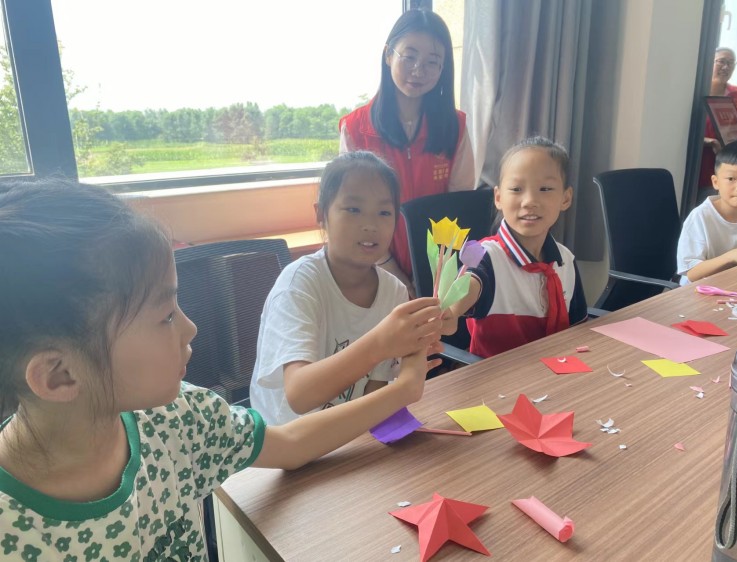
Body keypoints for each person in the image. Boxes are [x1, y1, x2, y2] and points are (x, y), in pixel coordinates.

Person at [0, 178, 442, 560]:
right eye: (165, 316)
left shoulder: (180, 418)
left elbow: (291, 444)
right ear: (59, 375)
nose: (190, 328)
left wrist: (403, 389)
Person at [249, 151, 443, 425]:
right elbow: (299, 395)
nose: (370, 225)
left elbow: (373, 394)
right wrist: (380, 344)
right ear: (321, 214)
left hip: (347, 434)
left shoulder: (394, 293)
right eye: (353, 209)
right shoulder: (298, 285)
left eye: (384, 212)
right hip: (287, 439)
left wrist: (411, 369)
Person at [339, 9, 475, 297]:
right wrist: (393, 272)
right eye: (409, 56)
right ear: (388, 55)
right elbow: (354, 212)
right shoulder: (356, 129)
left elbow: (459, 206)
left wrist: (439, 275)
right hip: (372, 267)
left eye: (432, 62)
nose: (418, 70)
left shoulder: (455, 127)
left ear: (443, 68)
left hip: (437, 270)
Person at [440, 137, 587, 358]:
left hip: (559, 368)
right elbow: (470, 283)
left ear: (566, 199)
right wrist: (451, 311)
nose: (529, 201)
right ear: (498, 197)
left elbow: (579, 329)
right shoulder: (486, 256)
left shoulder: (565, 260)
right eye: (517, 189)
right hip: (499, 376)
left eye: (545, 188)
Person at [677, 138, 737, 285]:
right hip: (699, 291)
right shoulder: (701, 217)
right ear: (716, 182)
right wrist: (733, 256)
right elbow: (692, 273)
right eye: (731, 178)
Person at [699, 47, 737, 191]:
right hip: (701, 160)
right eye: (721, 61)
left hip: (730, 161)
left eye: (731, 63)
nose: (726, 67)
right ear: (710, 63)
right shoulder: (697, 90)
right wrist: (709, 141)